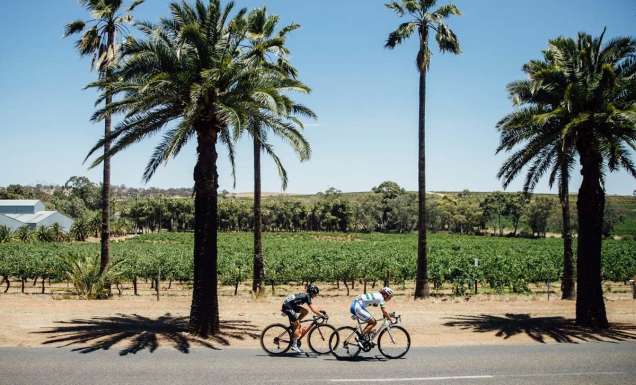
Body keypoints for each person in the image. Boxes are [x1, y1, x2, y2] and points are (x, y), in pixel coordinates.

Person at [281, 283, 325, 353]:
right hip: (288, 307)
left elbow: (313, 307)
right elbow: (313, 310)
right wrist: (321, 315)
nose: (315, 295)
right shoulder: (307, 296)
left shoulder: (306, 295)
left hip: (290, 305)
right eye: (315, 293)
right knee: (297, 325)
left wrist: (320, 311)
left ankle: (295, 323)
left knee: (305, 311)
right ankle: (294, 346)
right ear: (311, 292)